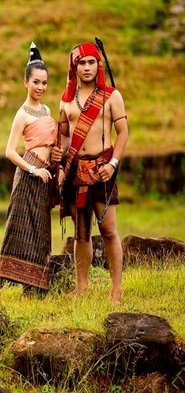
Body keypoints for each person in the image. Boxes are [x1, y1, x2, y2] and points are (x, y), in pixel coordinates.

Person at [56, 41, 128, 305]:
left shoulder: (111, 96)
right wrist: (61, 163)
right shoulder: (65, 101)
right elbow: (64, 141)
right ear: (74, 67)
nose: (86, 67)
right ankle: (82, 287)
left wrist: (113, 164)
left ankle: (116, 292)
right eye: (81, 63)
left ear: (98, 65)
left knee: (108, 229)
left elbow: (124, 134)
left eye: (91, 62)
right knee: (81, 231)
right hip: (76, 171)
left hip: (102, 169)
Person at [0, 42, 61, 295]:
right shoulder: (22, 114)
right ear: (25, 83)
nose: (40, 87)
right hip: (29, 173)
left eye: (44, 82)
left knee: (39, 228)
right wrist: (32, 169)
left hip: (45, 175)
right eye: (36, 82)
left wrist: (54, 161)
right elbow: (9, 151)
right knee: (17, 225)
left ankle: (36, 283)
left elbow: (50, 142)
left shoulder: (47, 110)